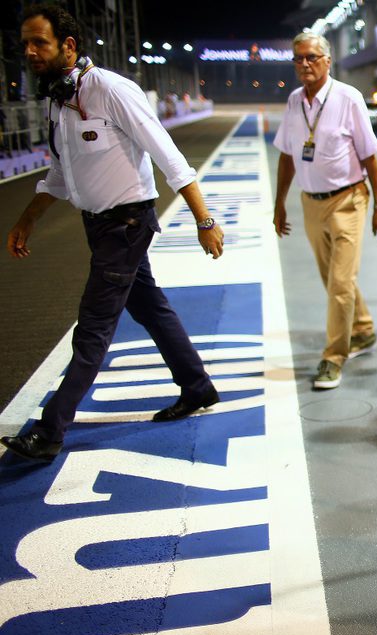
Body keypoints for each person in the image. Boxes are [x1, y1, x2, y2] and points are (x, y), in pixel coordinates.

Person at [2, 5, 225, 463]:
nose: (30, 51)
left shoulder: (110, 89)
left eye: (39, 42)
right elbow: (62, 174)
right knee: (150, 307)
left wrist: (204, 220)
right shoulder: (57, 99)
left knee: (94, 328)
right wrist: (28, 217)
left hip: (126, 225)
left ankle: (50, 432)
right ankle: (197, 386)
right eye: (26, 43)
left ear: (68, 45)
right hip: (99, 226)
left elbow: (168, 155)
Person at [273, 32, 377, 390]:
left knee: (340, 282)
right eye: (298, 59)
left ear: (327, 61)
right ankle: (363, 328)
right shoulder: (294, 102)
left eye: (311, 57)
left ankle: (334, 356)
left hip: (348, 200)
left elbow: (370, 157)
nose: (304, 64)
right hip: (311, 203)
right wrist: (279, 203)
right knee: (334, 280)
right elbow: (287, 155)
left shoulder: (347, 98)